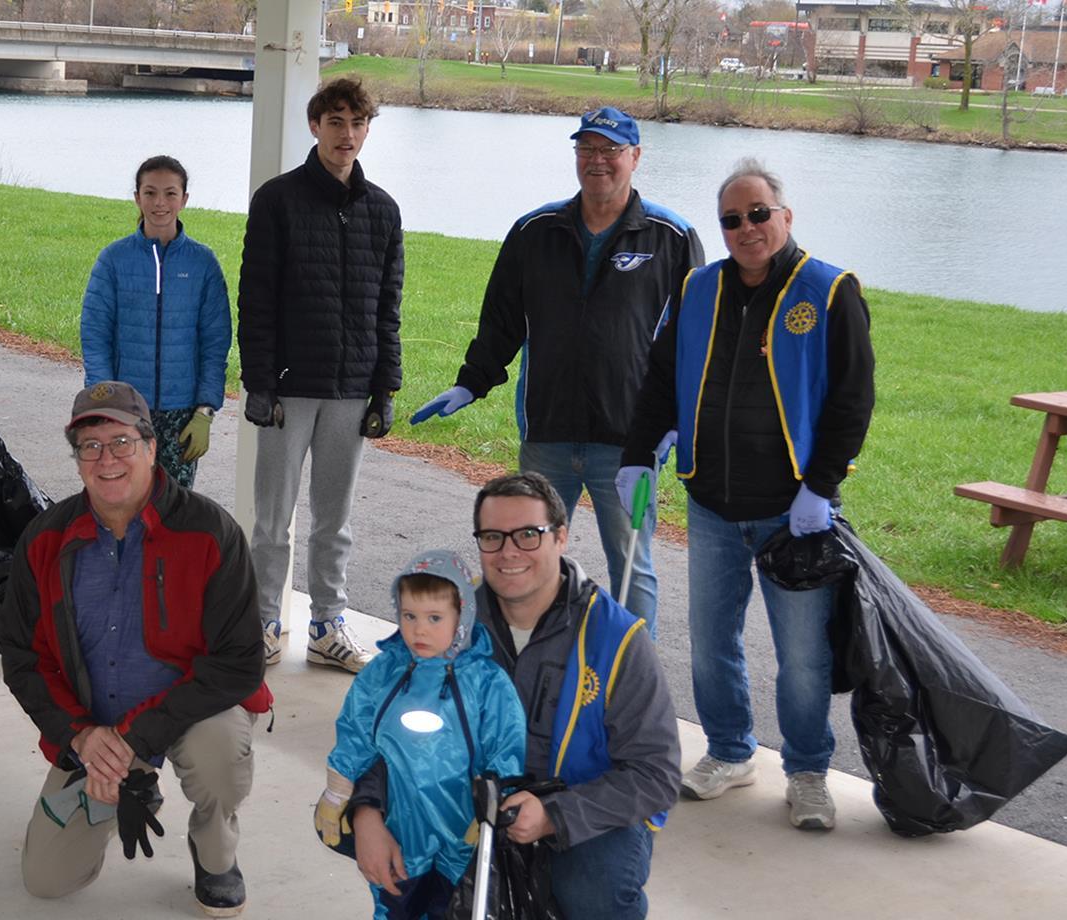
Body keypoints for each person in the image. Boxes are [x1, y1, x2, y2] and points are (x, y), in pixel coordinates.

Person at [620, 158, 874, 832]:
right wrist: (638, 455)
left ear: (785, 216)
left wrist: (821, 487)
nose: (746, 228)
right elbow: (661, 378)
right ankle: (730, 752)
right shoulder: (698, 288)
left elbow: (853, 400)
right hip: (711, 506)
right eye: (731, 219)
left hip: (796, 514)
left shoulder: (828, 290)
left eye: (758, 213)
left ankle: (809, 771)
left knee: (802, 658)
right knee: (712, 643)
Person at [411, 107, 701, 630]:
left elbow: (694, 338)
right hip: (547, 437)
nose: (598, 161)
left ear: (635, 157)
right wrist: (471, 381)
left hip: (631, 449)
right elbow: (502, 318)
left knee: (633, 567)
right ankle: (527, 670)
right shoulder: (534, 230)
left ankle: (633, 686)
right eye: (587, 149)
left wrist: (677, 420)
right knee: (524, 559)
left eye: (611, 151)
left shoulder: (671, 237)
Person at [350, 472, 682, 919]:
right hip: (460, 801)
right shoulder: (444, 626)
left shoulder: (618, 639)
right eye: (493, 536)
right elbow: (380, 727)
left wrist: (555, 815)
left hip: (580, 810)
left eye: (528, 534)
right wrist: (366, 810)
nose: (509, 552)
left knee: (595, 891)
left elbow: (655, 772)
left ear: (561, 537)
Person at [0, 382, 271, 918]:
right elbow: (20, 653)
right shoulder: (46, 538)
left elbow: (239, 662)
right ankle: (128, 784)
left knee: (219, 756)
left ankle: (214, 854)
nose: (107, 459)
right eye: (90, 446)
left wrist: (134, 738)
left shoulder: (212, 531)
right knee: (47, 881)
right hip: (94, 722)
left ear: (150, 446)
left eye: (121, 441)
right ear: (77, 461)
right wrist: (81, 736)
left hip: (187, 711)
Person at [237, 76, 403, 674]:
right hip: (286, 388)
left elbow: (389, 306)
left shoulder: (383, 210)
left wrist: (385, 387)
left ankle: (329, 626)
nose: (348, 135)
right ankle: (260, 623)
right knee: (272, 519)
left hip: (351, 390)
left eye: (358, 124)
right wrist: (259, 382)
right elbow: (255, 296)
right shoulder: (278, 200)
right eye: (336, 123)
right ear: (315, 126)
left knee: (335, 521)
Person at [316, 550, 525, 918]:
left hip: (461, 828)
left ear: (461, 616)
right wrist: (338, 789)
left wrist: (495, 802)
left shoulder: (486, 682)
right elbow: (356, 732)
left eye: (434, 618)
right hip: (401, 825)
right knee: (396, 899)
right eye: (409, 615)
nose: (419, 629)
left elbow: (506, 745)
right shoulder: (383, 673)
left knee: (455, 906)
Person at [79, 155, 231, 490]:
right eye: (150, 193)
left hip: (183, 413)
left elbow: (215, 341)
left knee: (173, 512)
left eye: (170, 193)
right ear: (136, 197)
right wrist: (104, 401)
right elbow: (95, 334)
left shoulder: (203, 263)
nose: (159, 203)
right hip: (125, 411)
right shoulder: (113, 260)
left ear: (184, 199)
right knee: (122, 504)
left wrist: (205, 410)